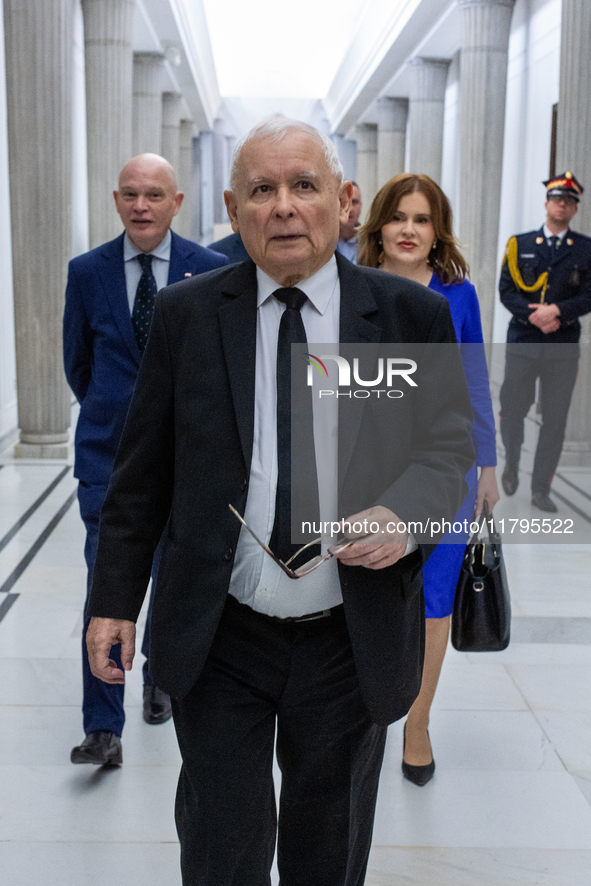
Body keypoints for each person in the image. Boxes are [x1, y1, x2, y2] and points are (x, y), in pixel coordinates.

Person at [85, 117, 474, 885]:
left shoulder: (407, 318)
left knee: (325, 846)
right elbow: (142, 475)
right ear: (233, 210)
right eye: (262, 190)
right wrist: (114, 600)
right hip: (220, 627)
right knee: (222, 841)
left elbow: (445, 453)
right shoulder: (188, 316)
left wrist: (401, 514)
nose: (284, 206)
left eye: (304, 186)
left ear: (342, 203)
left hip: (348, 632)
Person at [63, 153, 228, 766]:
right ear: (115, 199)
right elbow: (78, 364)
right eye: (130, 194)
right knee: (104, 584)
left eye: (154, 194)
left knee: (172, 571)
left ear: (176, 202)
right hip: (107, 460)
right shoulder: (88, 272)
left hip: (187, 459)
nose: (141, 205)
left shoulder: (210, 270)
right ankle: (103, 726)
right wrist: (121, 423)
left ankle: (160, 668)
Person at [358, 172, 499, 785]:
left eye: (422, 219)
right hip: (367, 470)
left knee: (434, 604)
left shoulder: (458, 296)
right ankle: (364, 717)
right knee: (368, 593)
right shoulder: (348, 286)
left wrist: (487, 465)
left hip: (446, 472)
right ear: (379, 228)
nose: (409, 230)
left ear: (436, 231)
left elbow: (473, 383)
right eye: (398, 218)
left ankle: (418, 722)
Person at [499, 171, 591, 512]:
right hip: (523, 339)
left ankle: (541, 488)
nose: (562, 205)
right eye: (557, 199)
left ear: (574, 209)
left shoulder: (585, 249)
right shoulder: (519, 244)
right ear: (546, 204)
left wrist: (558, 311)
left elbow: (589, 295)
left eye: (569, 201)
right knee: (512, 407)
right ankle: (510, 461)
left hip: (562, 344)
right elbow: (506, 291)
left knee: (555, 417)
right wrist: (532, 314)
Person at [336, 180, 362, 262]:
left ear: (360, 206)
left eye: (354, 202)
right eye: (344, 202)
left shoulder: (370, 242)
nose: (349, 209)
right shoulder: (323, 241)